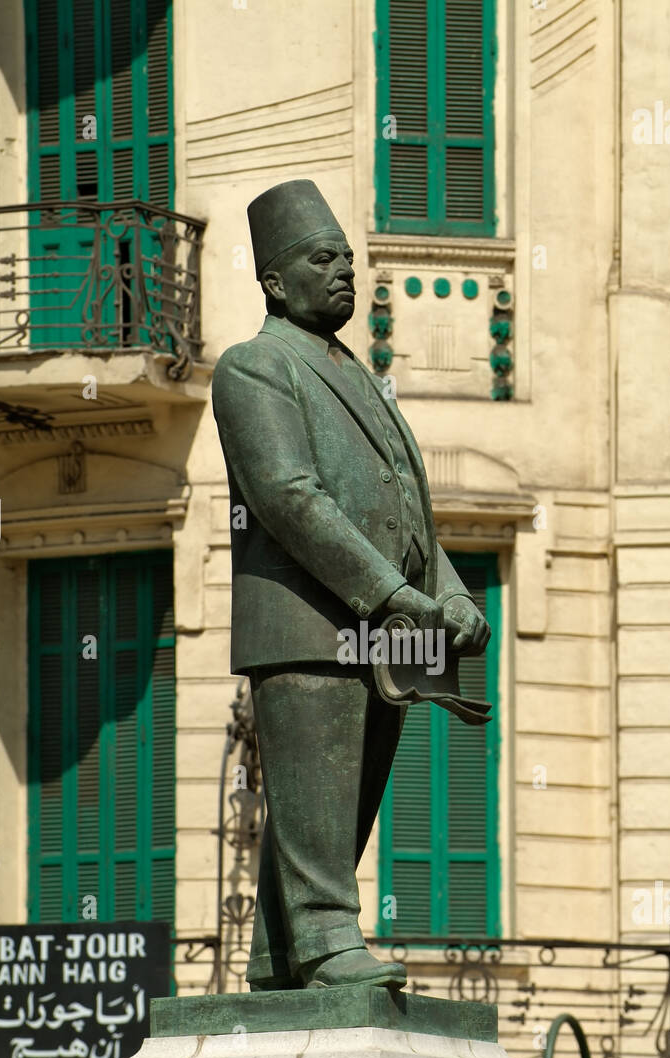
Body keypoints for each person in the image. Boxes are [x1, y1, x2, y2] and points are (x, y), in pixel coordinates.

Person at [212, 179, 490, 991]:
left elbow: (408, 505)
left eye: (348, 259)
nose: (344, 272)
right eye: (322, 258)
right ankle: (330, 945)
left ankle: (277, 958)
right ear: (273, 279)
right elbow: (290, 498)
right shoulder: (254, 366)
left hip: (380, 629)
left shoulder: (361, 376)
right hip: (306, 626)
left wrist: (454, 593)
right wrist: (394, 597)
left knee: (336, 811)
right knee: (318, 806)